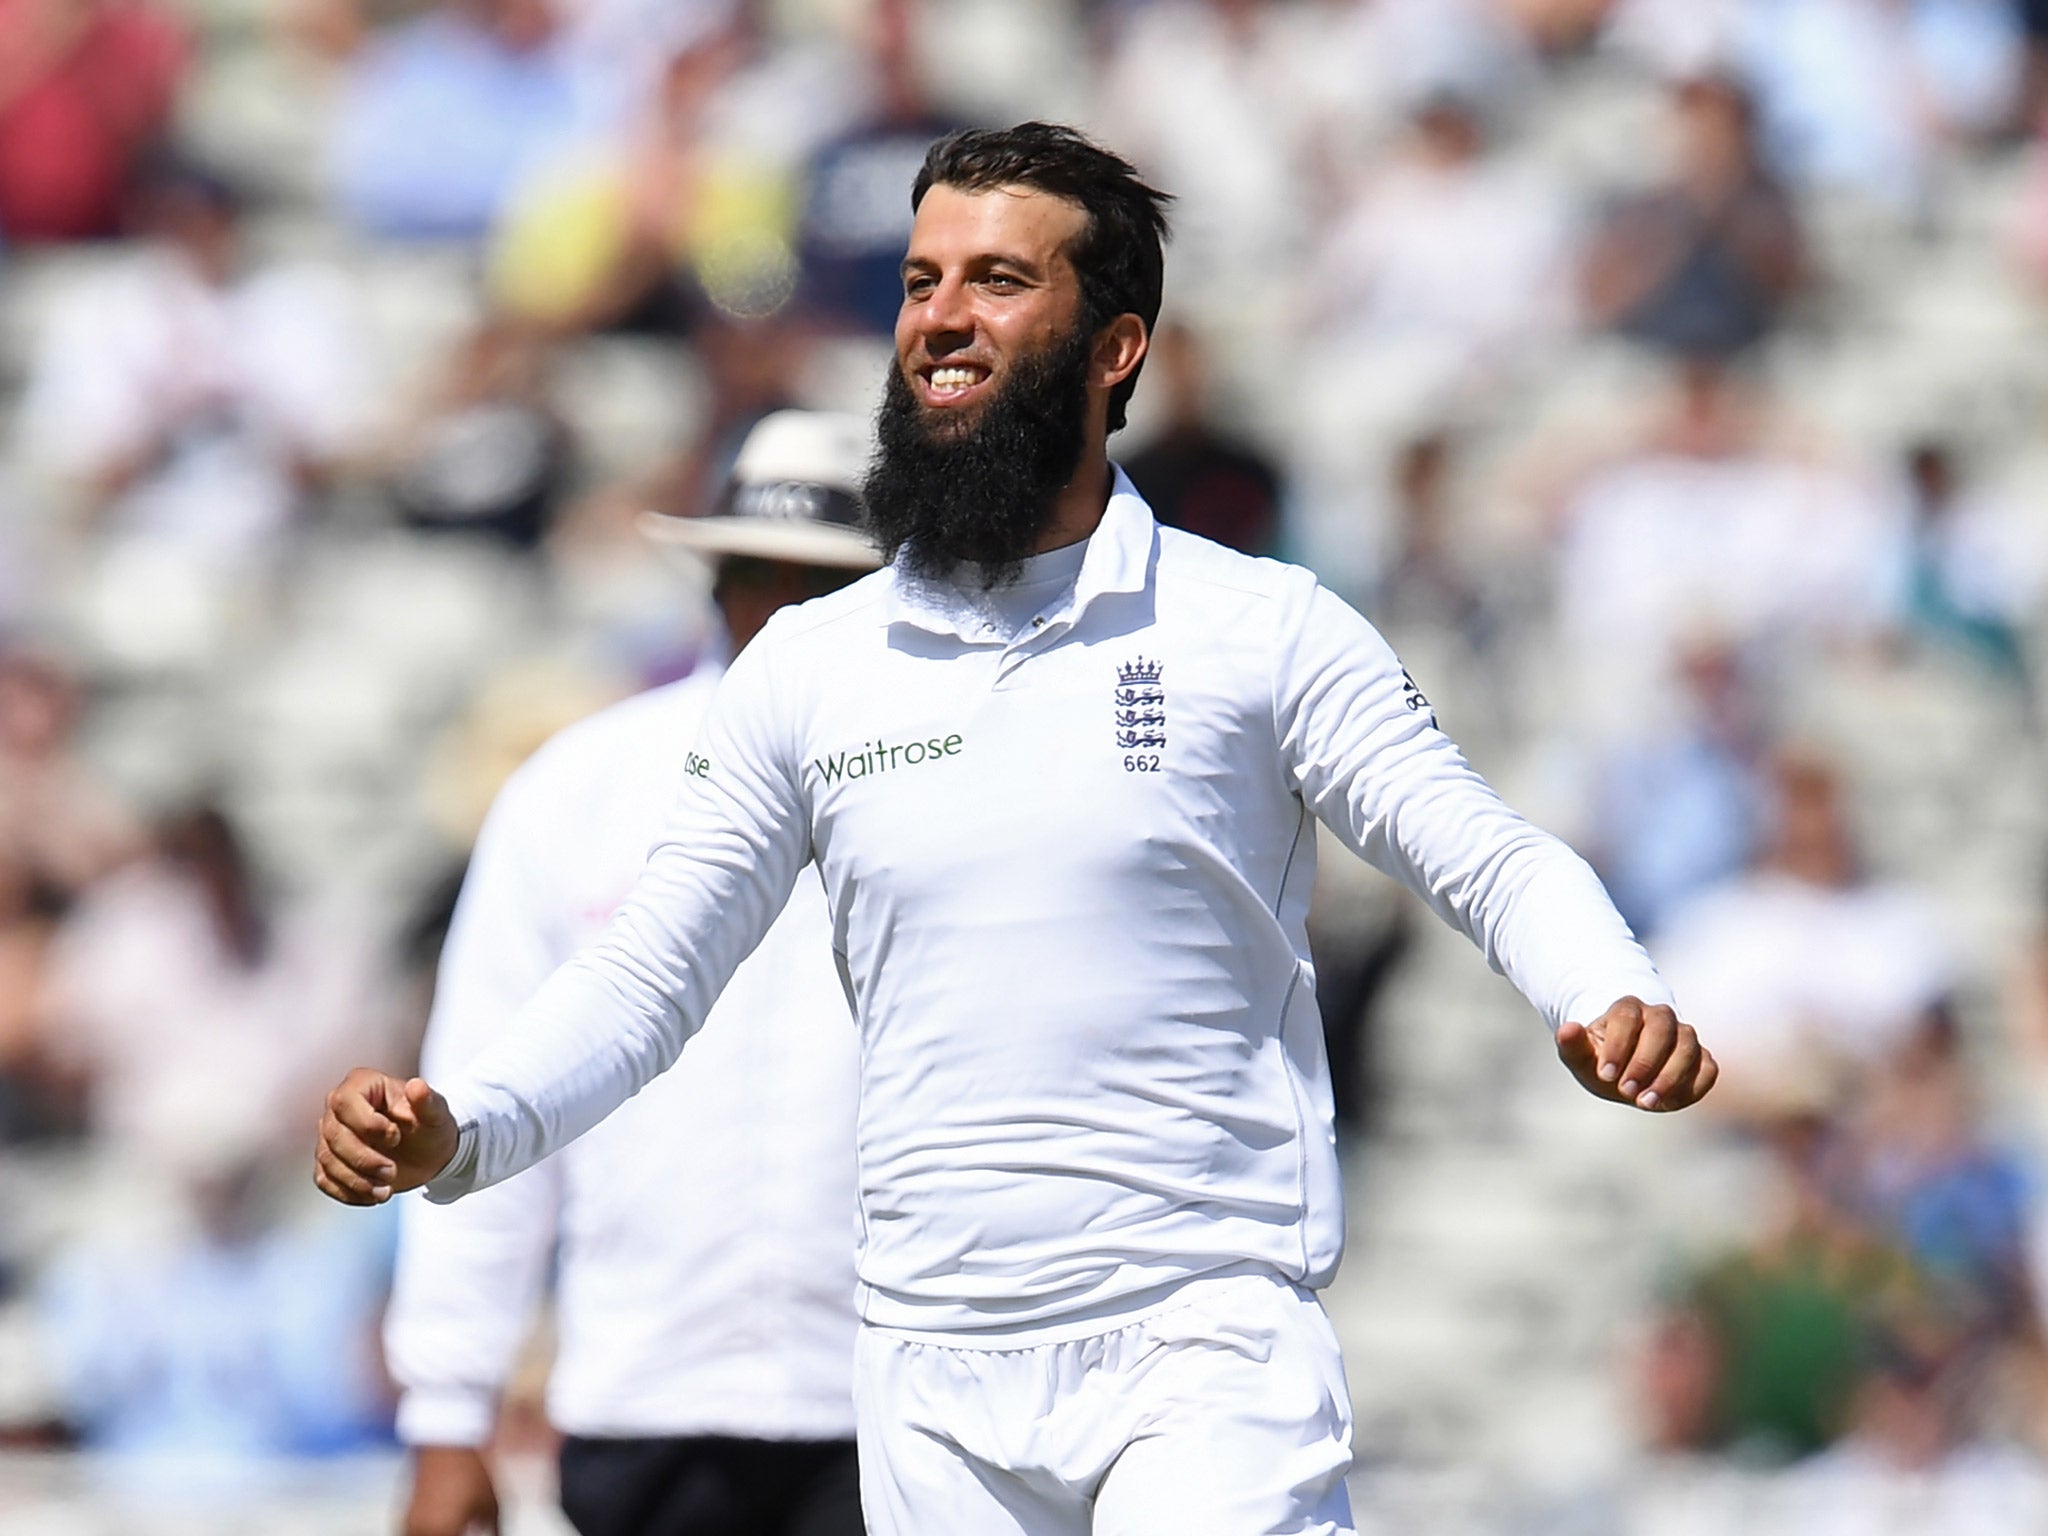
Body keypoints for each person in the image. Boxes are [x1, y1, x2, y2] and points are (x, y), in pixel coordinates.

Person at [317, 123, 1717, 1535]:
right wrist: (467, 1130)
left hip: (1201, 1346)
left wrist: (1607, 988)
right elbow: (645, 981)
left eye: (996, 279)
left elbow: (1482, 852)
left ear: (1115, 347)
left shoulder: (1258, 630)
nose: (939, 318)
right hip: (928, 1377)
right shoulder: (815, 670)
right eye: (923, 281)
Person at [387, 410, 877, 1536]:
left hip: (893, 1400)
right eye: (761, 576)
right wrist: (446, 1411)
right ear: (716, 582)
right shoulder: (582, 789)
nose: (787, 613)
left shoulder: (952, 792)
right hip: (644, 1396)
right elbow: (483, 1086)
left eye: (827, 582)